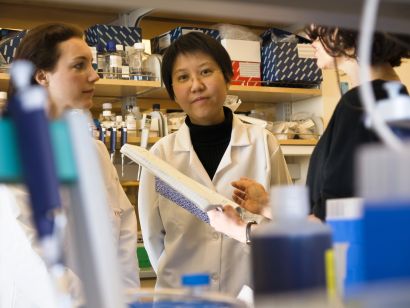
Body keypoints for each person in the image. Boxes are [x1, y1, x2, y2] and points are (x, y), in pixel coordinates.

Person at [138, 31, 291, 296]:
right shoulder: (161, 155)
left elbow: (286, 219)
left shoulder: (263, 143)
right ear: (172, 91)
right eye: (183, 77)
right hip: (183, 297)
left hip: (251, 294)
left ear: (228, 77)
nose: (196, 85)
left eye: (206, 72)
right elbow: (153, 238)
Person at [212, 24, 410, 229]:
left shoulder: (359, 106)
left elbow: (330, 225)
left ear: (346, 30)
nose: (310, 41)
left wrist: (240, 229)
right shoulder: (394, 98)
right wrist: (266, 205)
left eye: (317, 34)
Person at [5, 23, 140, 305]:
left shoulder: (95, 150)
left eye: (91, 64)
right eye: (79, 66)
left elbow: (124, 233)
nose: (95, 75)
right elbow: (33, 253)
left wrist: (127, 300)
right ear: (42, 76)